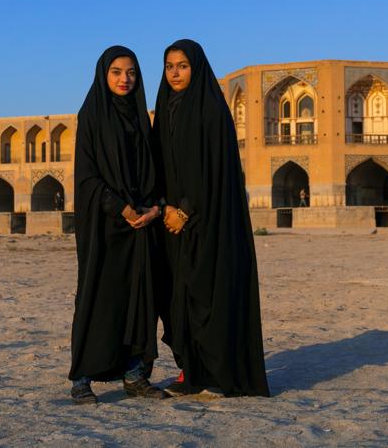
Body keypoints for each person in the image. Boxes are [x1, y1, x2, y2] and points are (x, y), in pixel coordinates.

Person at [154, 39, 270, 398]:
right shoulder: (164, 110)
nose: (175, 73)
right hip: (172, 223)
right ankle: (191, 373)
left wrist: (186, 210)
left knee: (208, 295)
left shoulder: (212, 111)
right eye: (170, 66)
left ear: (197, 68)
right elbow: (157, 167)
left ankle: (219, 376)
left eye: (183, 66)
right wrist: (165, 207)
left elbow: (214, 170)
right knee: (179, 298)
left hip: (208, 220)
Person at [68, 45, 171, 405]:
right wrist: (121, 207)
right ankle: (82, 377)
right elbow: (86, 177)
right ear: (103, 75)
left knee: (141, 299)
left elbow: (158, 173)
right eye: (116, 72)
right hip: (106, 226)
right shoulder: (92, 117)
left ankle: (136, 375)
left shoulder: (143, 119)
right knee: (98, 297)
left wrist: (156, 208)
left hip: (143, 225)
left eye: (131, 72)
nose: (124, 79)